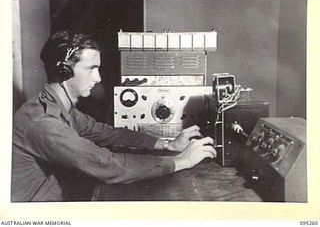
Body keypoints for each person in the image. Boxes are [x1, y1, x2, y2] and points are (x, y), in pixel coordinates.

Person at [11, 30, 216, 202]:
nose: (98, 78)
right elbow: (107, 165)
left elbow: (106, 132)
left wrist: (166, 144)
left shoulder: (60, 108)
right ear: (63, 71)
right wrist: (181, 161)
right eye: (91, 69)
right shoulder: (44, 123)